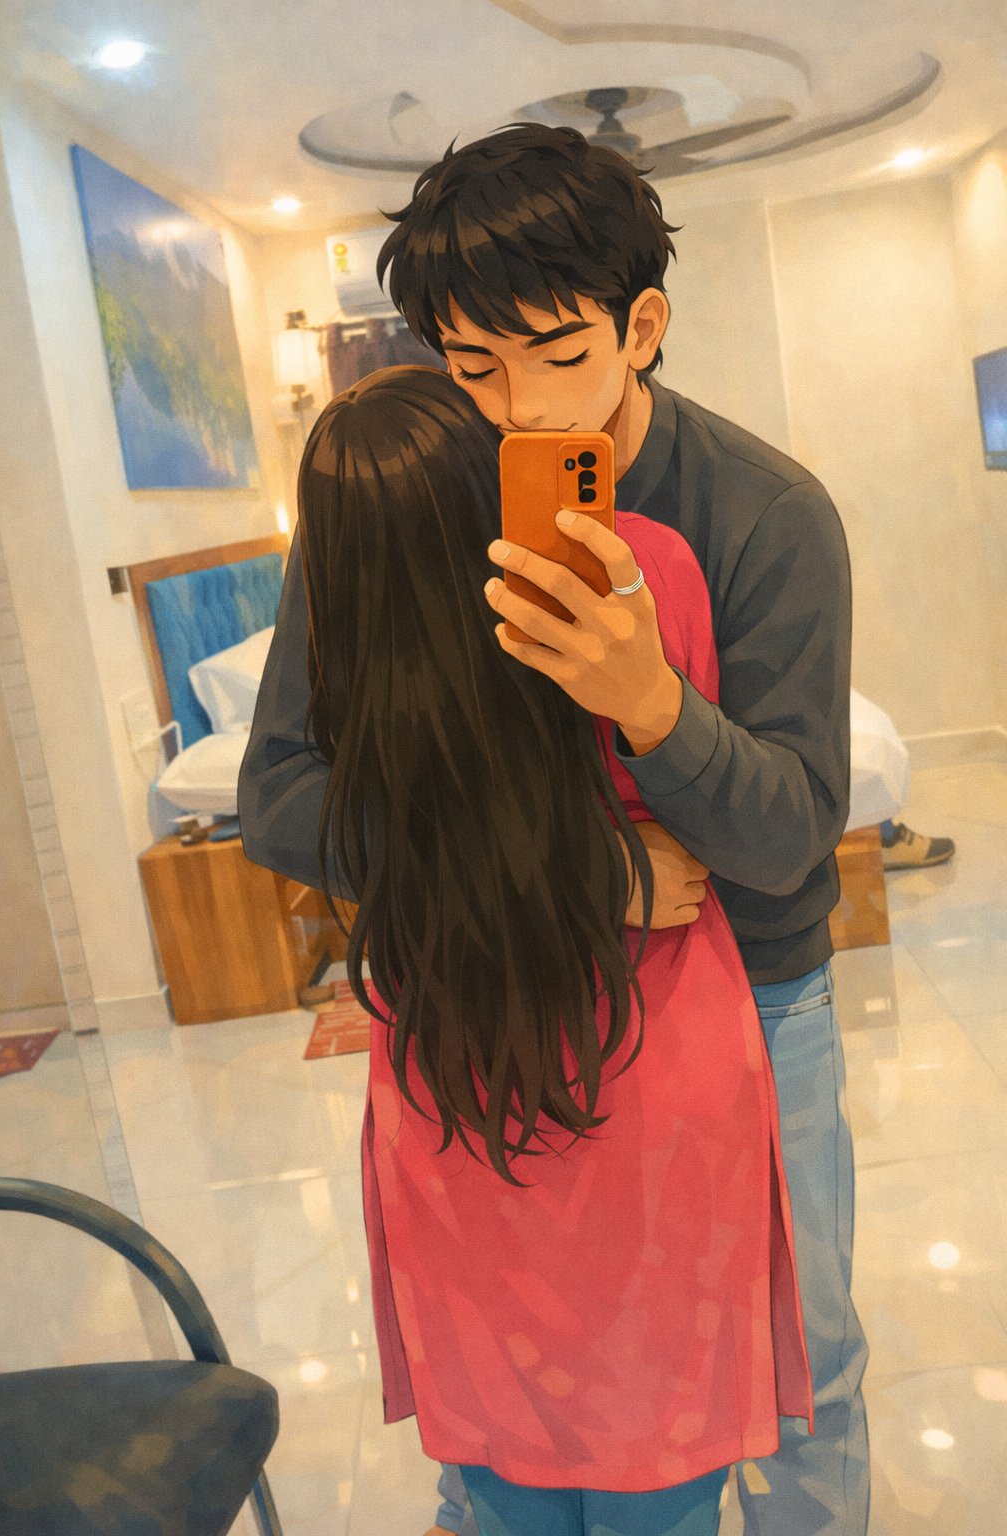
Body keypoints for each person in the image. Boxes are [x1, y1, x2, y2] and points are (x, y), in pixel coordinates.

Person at [239, 124, 867, 1536]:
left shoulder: (760, 513)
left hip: (750, 997)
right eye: (472, 366)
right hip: (498, 997)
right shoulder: (415, 498)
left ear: (641, 328)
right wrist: (573, 872)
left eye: (556, 354)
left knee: (801, 1368)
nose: (515, 410)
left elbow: (787, 845)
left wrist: (651, 704)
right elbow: (281, 793)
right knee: (511, 1371)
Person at [293, 363, 812, 1536]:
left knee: (505, 1468)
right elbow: (734, 819)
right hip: (647, 1050)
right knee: (661, 1471)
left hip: (456, 1064)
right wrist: (597, 864)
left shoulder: (349, 640)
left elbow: (330, 816)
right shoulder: (641, 567)